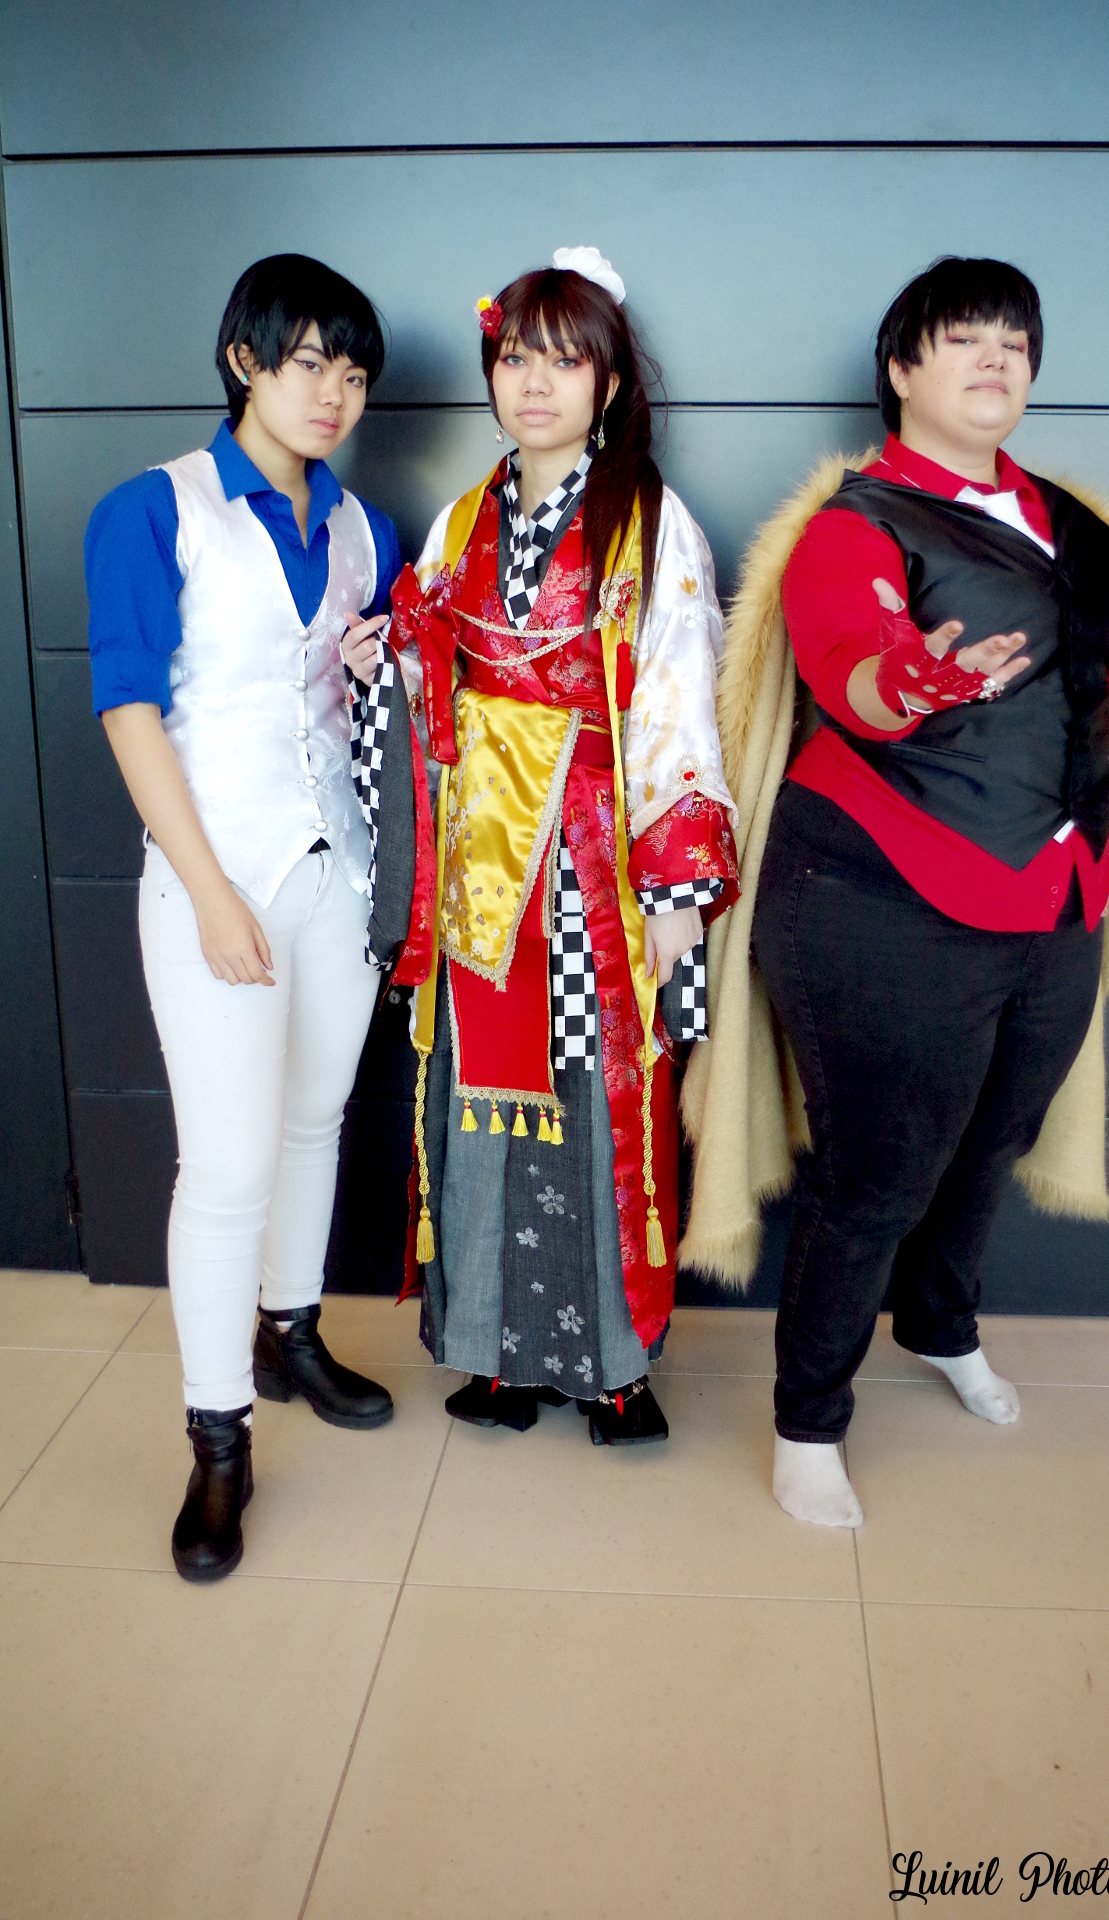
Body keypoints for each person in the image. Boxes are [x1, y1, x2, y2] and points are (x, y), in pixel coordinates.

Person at [678, 256, 1109, 1526]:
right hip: (875, 897)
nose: (995, 360)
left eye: (1014, 343)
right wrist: (915, 680)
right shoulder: (855, 525)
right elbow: (852, 663)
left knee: (993, 1141)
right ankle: (809, 1420)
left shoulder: (1080, 527)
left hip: (1055, 900)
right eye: (964, 338)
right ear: (901, 369)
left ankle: (939, 1321)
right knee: (878, 1172)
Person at [380, 247, 738, 1443]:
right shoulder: (462, 521)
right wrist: (400, 656)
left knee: (597, 1092)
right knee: (479, 1095)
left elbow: (675, 700)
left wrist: (675, 888)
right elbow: (432, 679)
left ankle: (613, 1365)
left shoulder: (649, 523)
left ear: (610, 381)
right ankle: (495, 1353)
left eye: (565, 359)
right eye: (516, 358)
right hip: (483, 861)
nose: (534, 383)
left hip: (593, 864)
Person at [86, 253, 403, 1580]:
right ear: (245, 361)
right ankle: (218, 1442)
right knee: (223, 1170)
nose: (333, 393)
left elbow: (357, 694)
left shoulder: (366, 528)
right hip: (214, 877)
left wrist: (378, 662)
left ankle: (291, 1332)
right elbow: (129, 710)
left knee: (314, 1121)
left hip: (338, 875)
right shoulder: (152, 510)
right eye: (310, 361)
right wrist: (210, 891)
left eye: (355, 373)